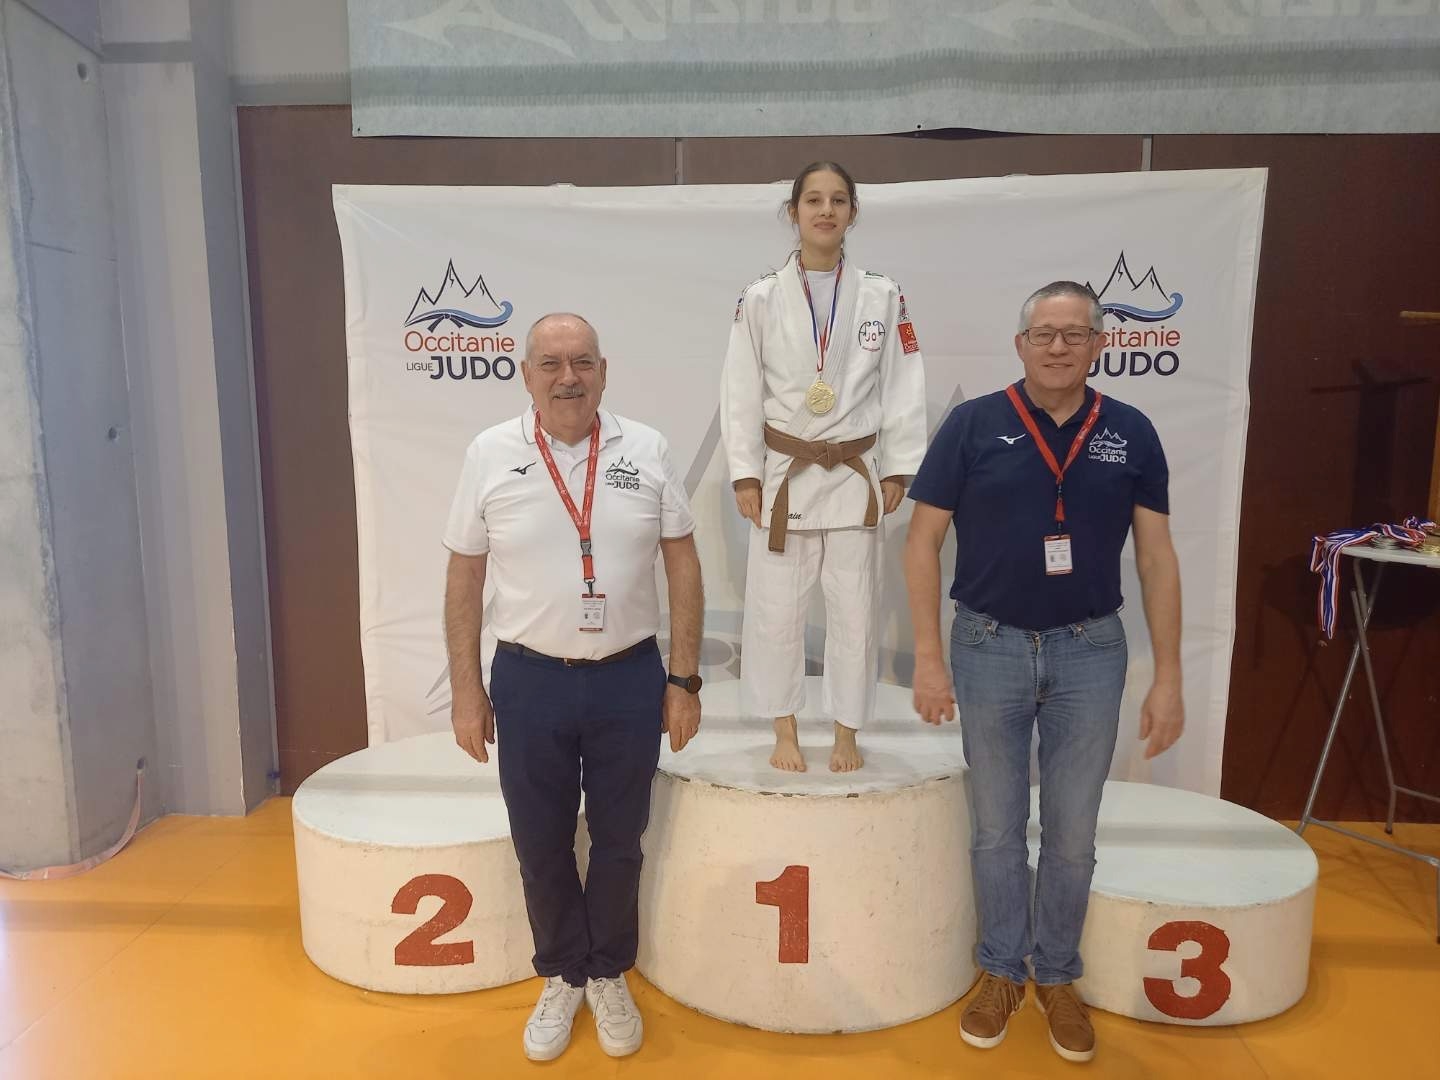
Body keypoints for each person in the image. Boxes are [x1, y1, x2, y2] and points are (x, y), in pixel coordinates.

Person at [903, 281, 1184, 1064]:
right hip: (987, 645)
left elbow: (1157, 558)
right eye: (1044, 334)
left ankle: (1057, 974)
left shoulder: (1130, 432)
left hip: (1090, 652)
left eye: (1075, 333)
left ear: (1100, 344)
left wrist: (1169, 677)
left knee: (1071, 833)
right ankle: (1001, 970)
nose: (1058, 346)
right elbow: (921, 541)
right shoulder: (973, 425)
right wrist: (928, 658)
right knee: (995, 829)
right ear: (1020, 345)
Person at [442, 313, 704, 1062]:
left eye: (582, 362)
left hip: (629, 677)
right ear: (527, 375)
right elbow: (464, 575)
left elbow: (682, 563)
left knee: (620, 840)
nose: (568, 378)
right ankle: (562, 972)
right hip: (529, 681)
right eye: (551, 364)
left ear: (603, 371)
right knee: (541, 841)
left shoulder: (645, 448)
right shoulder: (490, 453)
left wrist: (684, 679)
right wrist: (467, 691)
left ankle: (608, 970)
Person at [721, 161, 927, 773]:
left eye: (838, 200)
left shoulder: (883, 295)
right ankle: (784, 728)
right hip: (785, 475)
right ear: (793, 212)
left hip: (854, 475)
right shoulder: (760, 297)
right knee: (776, 613)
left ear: (853, 212)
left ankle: (846, 731)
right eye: (813, 200)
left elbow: (904, 382)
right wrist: (744, 473)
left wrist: (899, 467)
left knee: (856, 613)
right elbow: (740, 389)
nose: (826, 210)